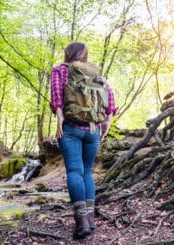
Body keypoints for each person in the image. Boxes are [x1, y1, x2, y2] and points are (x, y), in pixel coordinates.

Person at [50, 41, 117, 239]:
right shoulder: (94, 72)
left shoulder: (60, 69)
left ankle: (81, 221)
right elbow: (110, 97)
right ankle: (90, 219)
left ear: (68, 54)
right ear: (85, 55)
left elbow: (56, 96)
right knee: (87, 171)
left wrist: (60, 116)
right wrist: (107, 122)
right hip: (92, 129)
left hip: (70, 128)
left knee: (74, 171)